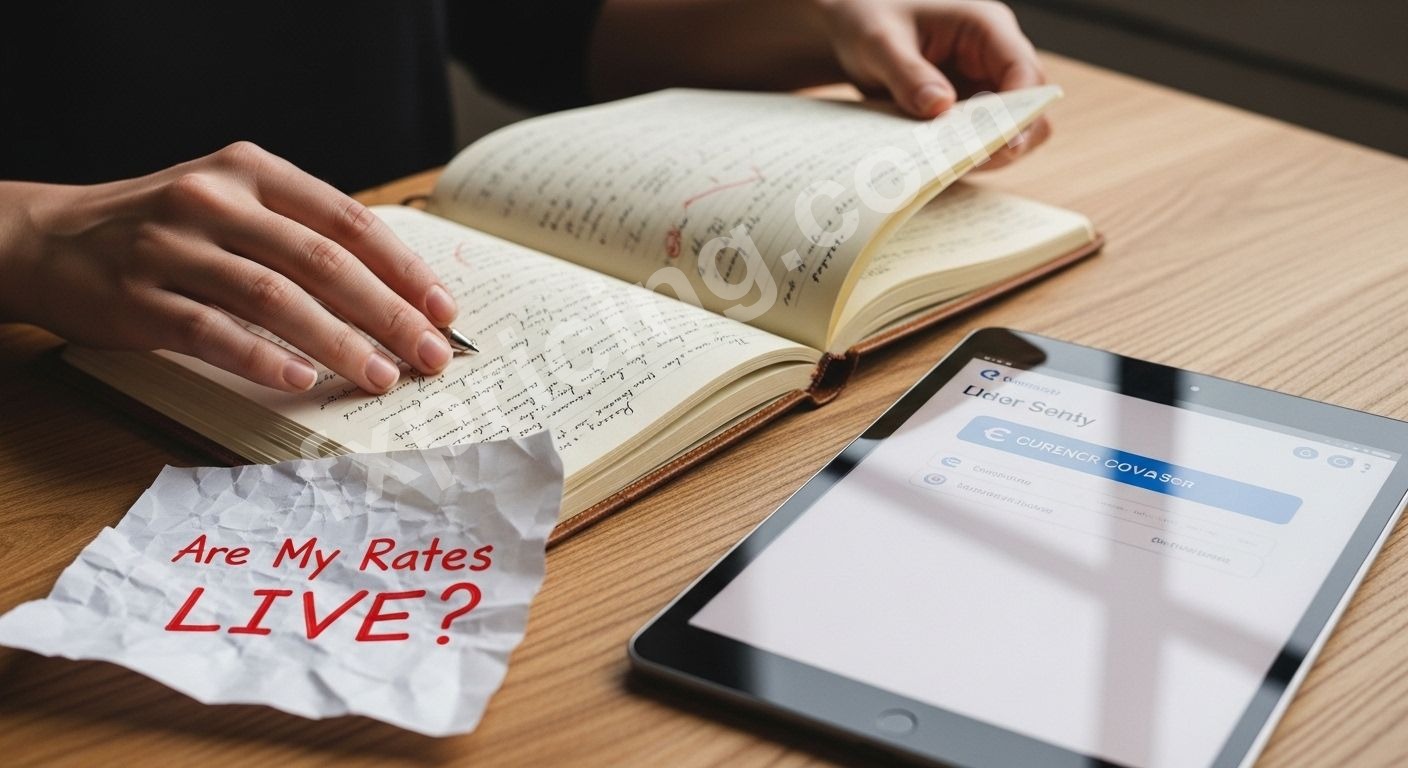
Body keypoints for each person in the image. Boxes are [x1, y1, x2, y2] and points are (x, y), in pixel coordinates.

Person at [0, 0, 1049, 395]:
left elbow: (545, 28)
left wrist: (823, 20)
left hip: (424, 303)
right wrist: (32, 231)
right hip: (57, 387)